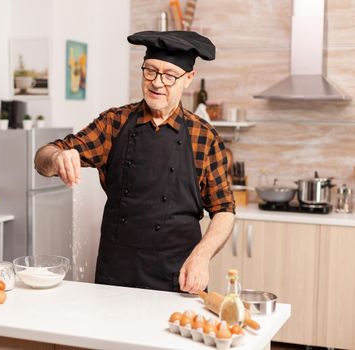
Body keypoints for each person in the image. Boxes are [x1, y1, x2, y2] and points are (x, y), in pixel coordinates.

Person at [34, 30, 235, 294]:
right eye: (150, 71)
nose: (157, 83)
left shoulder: (205, 137)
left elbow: (224, 210)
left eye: (169, 75)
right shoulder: (113, 124)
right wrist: (58, 157)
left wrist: (202, 256)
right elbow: (42, 159)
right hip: (116, 274)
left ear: (188, 79)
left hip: (179, 274)